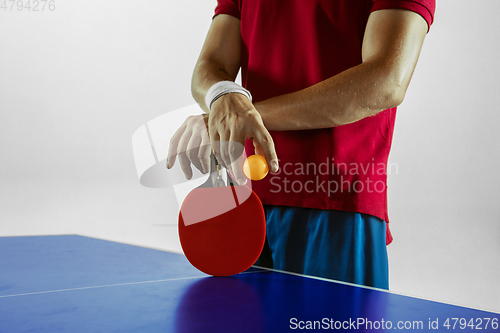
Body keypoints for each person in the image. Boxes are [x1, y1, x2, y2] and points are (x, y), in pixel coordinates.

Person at [167, 0, 435, 289]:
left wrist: (241, 116)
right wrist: (222, 95)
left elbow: (386, 82)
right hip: (245, 202)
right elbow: (212, 65)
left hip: (336, 203)